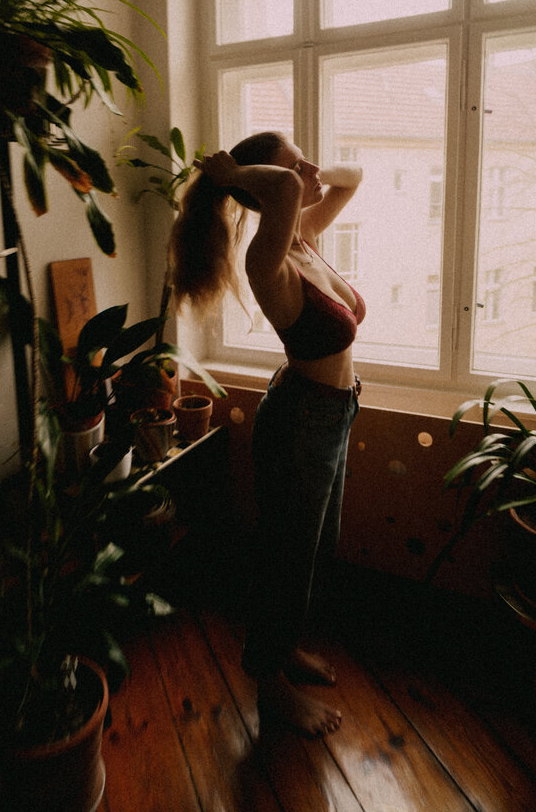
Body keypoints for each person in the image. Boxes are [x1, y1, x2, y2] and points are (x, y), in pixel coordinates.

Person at [168, 131, 364, 737]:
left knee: (315, 550)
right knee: (287, 556)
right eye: (295, 163)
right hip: (301, 423)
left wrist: (304, 170)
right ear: (265, 188)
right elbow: (279, 189)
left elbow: (352, 175)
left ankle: (287, 647)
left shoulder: (301, 235)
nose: (310, 167)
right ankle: (268, 683)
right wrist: (231, 178)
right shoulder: (265, 260)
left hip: (334, 414)